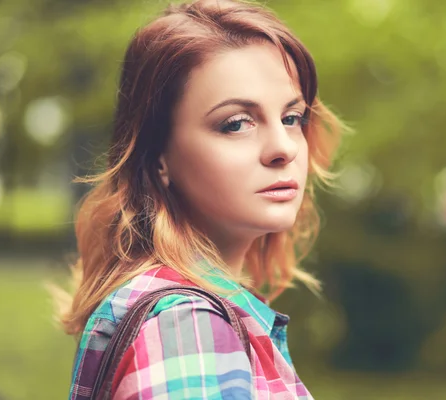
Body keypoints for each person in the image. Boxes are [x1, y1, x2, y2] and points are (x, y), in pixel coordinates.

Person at [58, 0, 344, 398]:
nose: (284, 148)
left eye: (291, 117)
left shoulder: (185, 307)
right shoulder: (188, 326)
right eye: (235, 124)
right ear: (159, 157)